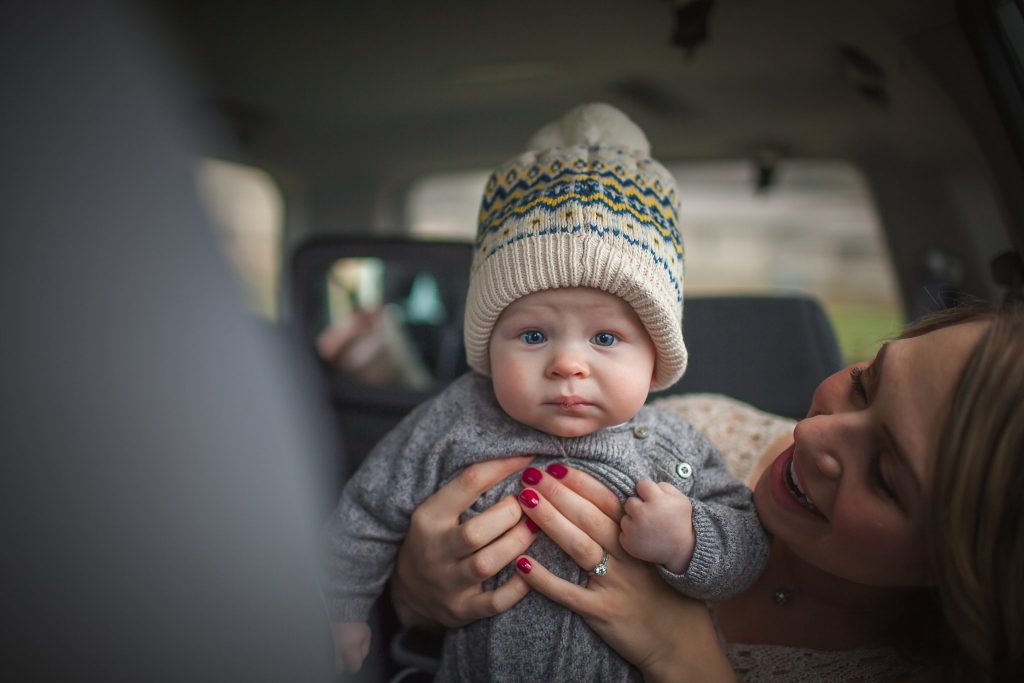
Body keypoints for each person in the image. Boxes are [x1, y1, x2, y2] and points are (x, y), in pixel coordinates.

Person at [321, 103, 770, 681]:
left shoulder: (670, 446)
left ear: (657, 355)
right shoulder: (457, 417)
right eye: (533, 334)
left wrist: (688, 539)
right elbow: (367, 509)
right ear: (488, 344)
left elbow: (748, 545)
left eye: (606, 337)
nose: (566, 363)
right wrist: (340, 607)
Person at [390, 302, 1024, 681]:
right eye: (864, 381)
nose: (813, 431)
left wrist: (683, 657)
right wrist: (415, 592)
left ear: (967, 565)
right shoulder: (691, 433)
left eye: (886, 475)